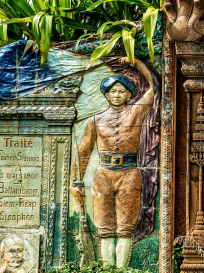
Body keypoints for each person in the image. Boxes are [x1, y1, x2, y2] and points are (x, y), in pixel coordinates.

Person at [70, 58, 155, 267]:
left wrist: (136, 64)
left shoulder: (136, 113)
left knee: (125, 229)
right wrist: (74, 182)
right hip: (103, 177)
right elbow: (83, 153)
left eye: (121, 91)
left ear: (129, 95)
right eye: (113, 92)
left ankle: (122, 270)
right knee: (105, 229)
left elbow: (154, 86)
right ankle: (108, 269)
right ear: (106, 95)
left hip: (129, 175)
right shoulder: (96, 121)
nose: (117, 95)